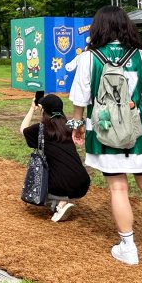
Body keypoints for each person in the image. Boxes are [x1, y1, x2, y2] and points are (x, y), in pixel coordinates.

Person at [70, 5, 142, 266]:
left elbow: (80, 98)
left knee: (117, 187)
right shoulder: (141, 56)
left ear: (98, 28)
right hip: (137, 127)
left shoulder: (89, 57)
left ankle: (128, 246)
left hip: (105, 128)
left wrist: (77, 125)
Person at [20, 93, 90, 222]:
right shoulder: (69, 126)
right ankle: (61, 200)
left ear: (44, 110)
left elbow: (22, 129)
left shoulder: (40, 129)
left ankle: (60, 204)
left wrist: (31, 109)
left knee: (38, 181)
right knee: (61, 168)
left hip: (62, 184)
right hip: (83, 183)